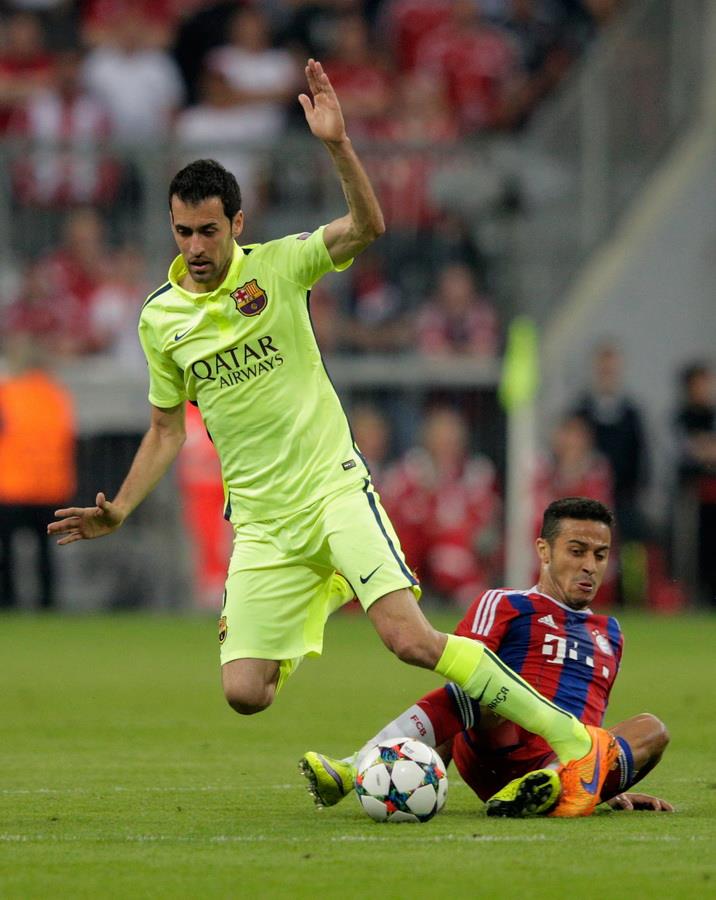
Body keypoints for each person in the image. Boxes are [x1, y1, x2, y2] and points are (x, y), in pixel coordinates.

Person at [48, 60, 616, 818]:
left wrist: (339, 145)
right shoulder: (159, 319)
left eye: (210, 230)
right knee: (245, 692)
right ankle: (312, 597)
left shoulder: (281, 266)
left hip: (333, 491)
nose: (197, 245)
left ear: (237, 224)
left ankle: (575, 741)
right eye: (183, 231)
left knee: (410, 640)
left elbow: (369, 227)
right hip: (263, 522)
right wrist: (119, 507)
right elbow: (165, 427)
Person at [301, 497, 671, 817]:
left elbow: (593, 716)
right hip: (501, 750)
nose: (590, 565)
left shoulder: (611, 633)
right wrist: (425, 772)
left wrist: (610, 780)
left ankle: (560, 785)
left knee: (652, 729)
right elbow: (460, 683)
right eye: (577, 551)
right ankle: (355, 767)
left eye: (600, 555)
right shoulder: (506, 603)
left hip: (570, 761)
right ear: (544, 551)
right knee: (482, 688)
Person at [0, 333, 76, 609]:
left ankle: (8, 601)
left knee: (7, 552)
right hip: (51, 488)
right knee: (46, 553)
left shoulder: (7, 394)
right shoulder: (56, 395)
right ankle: (48, 603)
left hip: (12, 487)